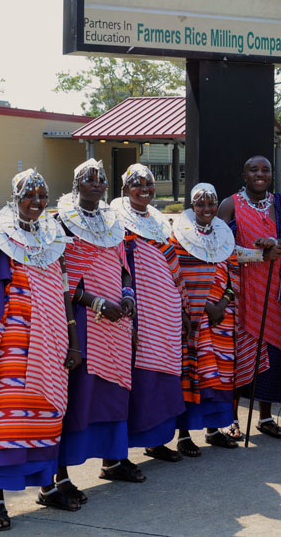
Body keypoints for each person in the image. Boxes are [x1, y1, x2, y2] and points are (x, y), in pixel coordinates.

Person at [0, 169, 80, 531]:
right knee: (6, 422)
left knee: (45, 417)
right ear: (15, 197)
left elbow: (64, 292)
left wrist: (73, 341)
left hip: (52, 347)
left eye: (42, 194)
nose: (38, 201)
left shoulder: (55, 236)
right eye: (30, 194)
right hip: (11, 348)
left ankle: (47, 487)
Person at [55, 159, 141, 499]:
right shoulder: (60, 222)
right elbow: (58, 277)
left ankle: (113, 459)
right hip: (81, 321)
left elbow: (123, 267)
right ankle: (62, 472)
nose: (96, 183)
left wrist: (127, 294)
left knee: (114, 391)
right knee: (79, 393)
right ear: (76, 185)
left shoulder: (112, 221)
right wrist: (94, 302)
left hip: (116, 321)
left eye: (101, 179)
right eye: (88, 179)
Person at [218, 155, 281, 439]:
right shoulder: (230, 205)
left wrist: (275, 243)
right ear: (244, 175)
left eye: (265, 169)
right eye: (253, 169)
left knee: (272, 353)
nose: (260, 174)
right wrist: (256, 255)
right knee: (238, 353)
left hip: (273, 291)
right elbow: (218, 247)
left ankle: (264, 418)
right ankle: (231, 420)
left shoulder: (279, 203)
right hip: (240, 290)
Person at [111, 164, 187, 462]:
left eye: (149, 183)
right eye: (136, 184)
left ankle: (156, 441)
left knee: (163, 376)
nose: (144, 188)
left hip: (165, 313)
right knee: (138, 377)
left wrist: (180, 309)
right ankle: (119, 455)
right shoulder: (117, 221)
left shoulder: (159, 221)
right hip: (138, 308)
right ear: (124, 189)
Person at [170, 183, 240, 456]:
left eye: (211, 203)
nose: (207, 209)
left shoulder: (226, 236)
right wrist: (192, 309)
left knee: (220, 374)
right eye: (200, 204)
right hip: (191, 317)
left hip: (221, 318)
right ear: (192, 206)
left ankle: (214, 429)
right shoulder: (178, 236)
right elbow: (175, 276)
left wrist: (221, 304)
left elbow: (233, 274)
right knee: (190, 372)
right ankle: (184, 435)